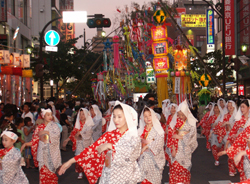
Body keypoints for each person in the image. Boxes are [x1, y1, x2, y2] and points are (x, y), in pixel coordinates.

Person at [58, 101, 142, 184]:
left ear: (127, 117)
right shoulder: (109, 135)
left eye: (119, 117)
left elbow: (131, 155)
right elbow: (91, 150)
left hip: (126, 176)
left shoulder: (133, 136)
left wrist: (110, 146)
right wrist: (70, 162)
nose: (116, 120)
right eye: (114, 116)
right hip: (108, 175)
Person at [21, 108, 62, 184]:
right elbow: (35, 141)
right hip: (42, 155)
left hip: (52, 154)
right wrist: (26, 144)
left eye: (51, 115)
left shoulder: (55, 126)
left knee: (52, 175)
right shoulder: (39, 128)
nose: (50, 117)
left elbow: (56, 138)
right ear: (43, 116)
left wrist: (46, 133)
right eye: (48, 115)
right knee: (43, 176)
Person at [166, 100, 198, 184]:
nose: (180, 117)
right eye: (179, 114)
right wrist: (172, 148)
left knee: (184, 169)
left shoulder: (191, 123)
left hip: (185, 150)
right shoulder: (174, 121)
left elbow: (192, 137)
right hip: (176, 149)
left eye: (182, 115)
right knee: (175, 168)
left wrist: (180, 136)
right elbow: (170, 134)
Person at [218, 100, 250, 181]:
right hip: (242, 147)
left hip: (245, 148)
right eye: (241, 107)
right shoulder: (239, 120)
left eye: (243, 107)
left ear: (249, 108)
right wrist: (228, 146)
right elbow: (236, 135)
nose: (242, 109)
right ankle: (232, 170)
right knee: (244, 173)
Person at [63, 108, 94, 179]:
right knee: (79, 158)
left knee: (87, 158)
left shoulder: (88, 123)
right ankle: (80, 172)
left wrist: (80, 133)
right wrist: (67, 139)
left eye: (83, 114)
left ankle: (87, 171)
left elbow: (89, 133)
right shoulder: (78, 123)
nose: (81, 116)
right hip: (79, 143)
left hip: (87, 143)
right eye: (80, 114)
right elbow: (74, 132)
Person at [138, 107, 165, 184]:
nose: (148, 118)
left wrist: (146, 146)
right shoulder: (140, 130)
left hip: (154, 160)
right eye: (145, 116)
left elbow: (159, 143)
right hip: (143, 160)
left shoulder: (158, 130)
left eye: (150, 115)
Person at [213, 100, 237, 175]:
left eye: (231, 106)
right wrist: (214, 130)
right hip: (227, 135)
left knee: (236, 153)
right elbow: (220, 124)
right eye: (228, 106)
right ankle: (231, 169)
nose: (230, 107)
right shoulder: (225, 115)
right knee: (230, 153)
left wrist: (228, 123)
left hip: (236, 136)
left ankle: (234, 167)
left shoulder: (237, 116)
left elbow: (239, 126)